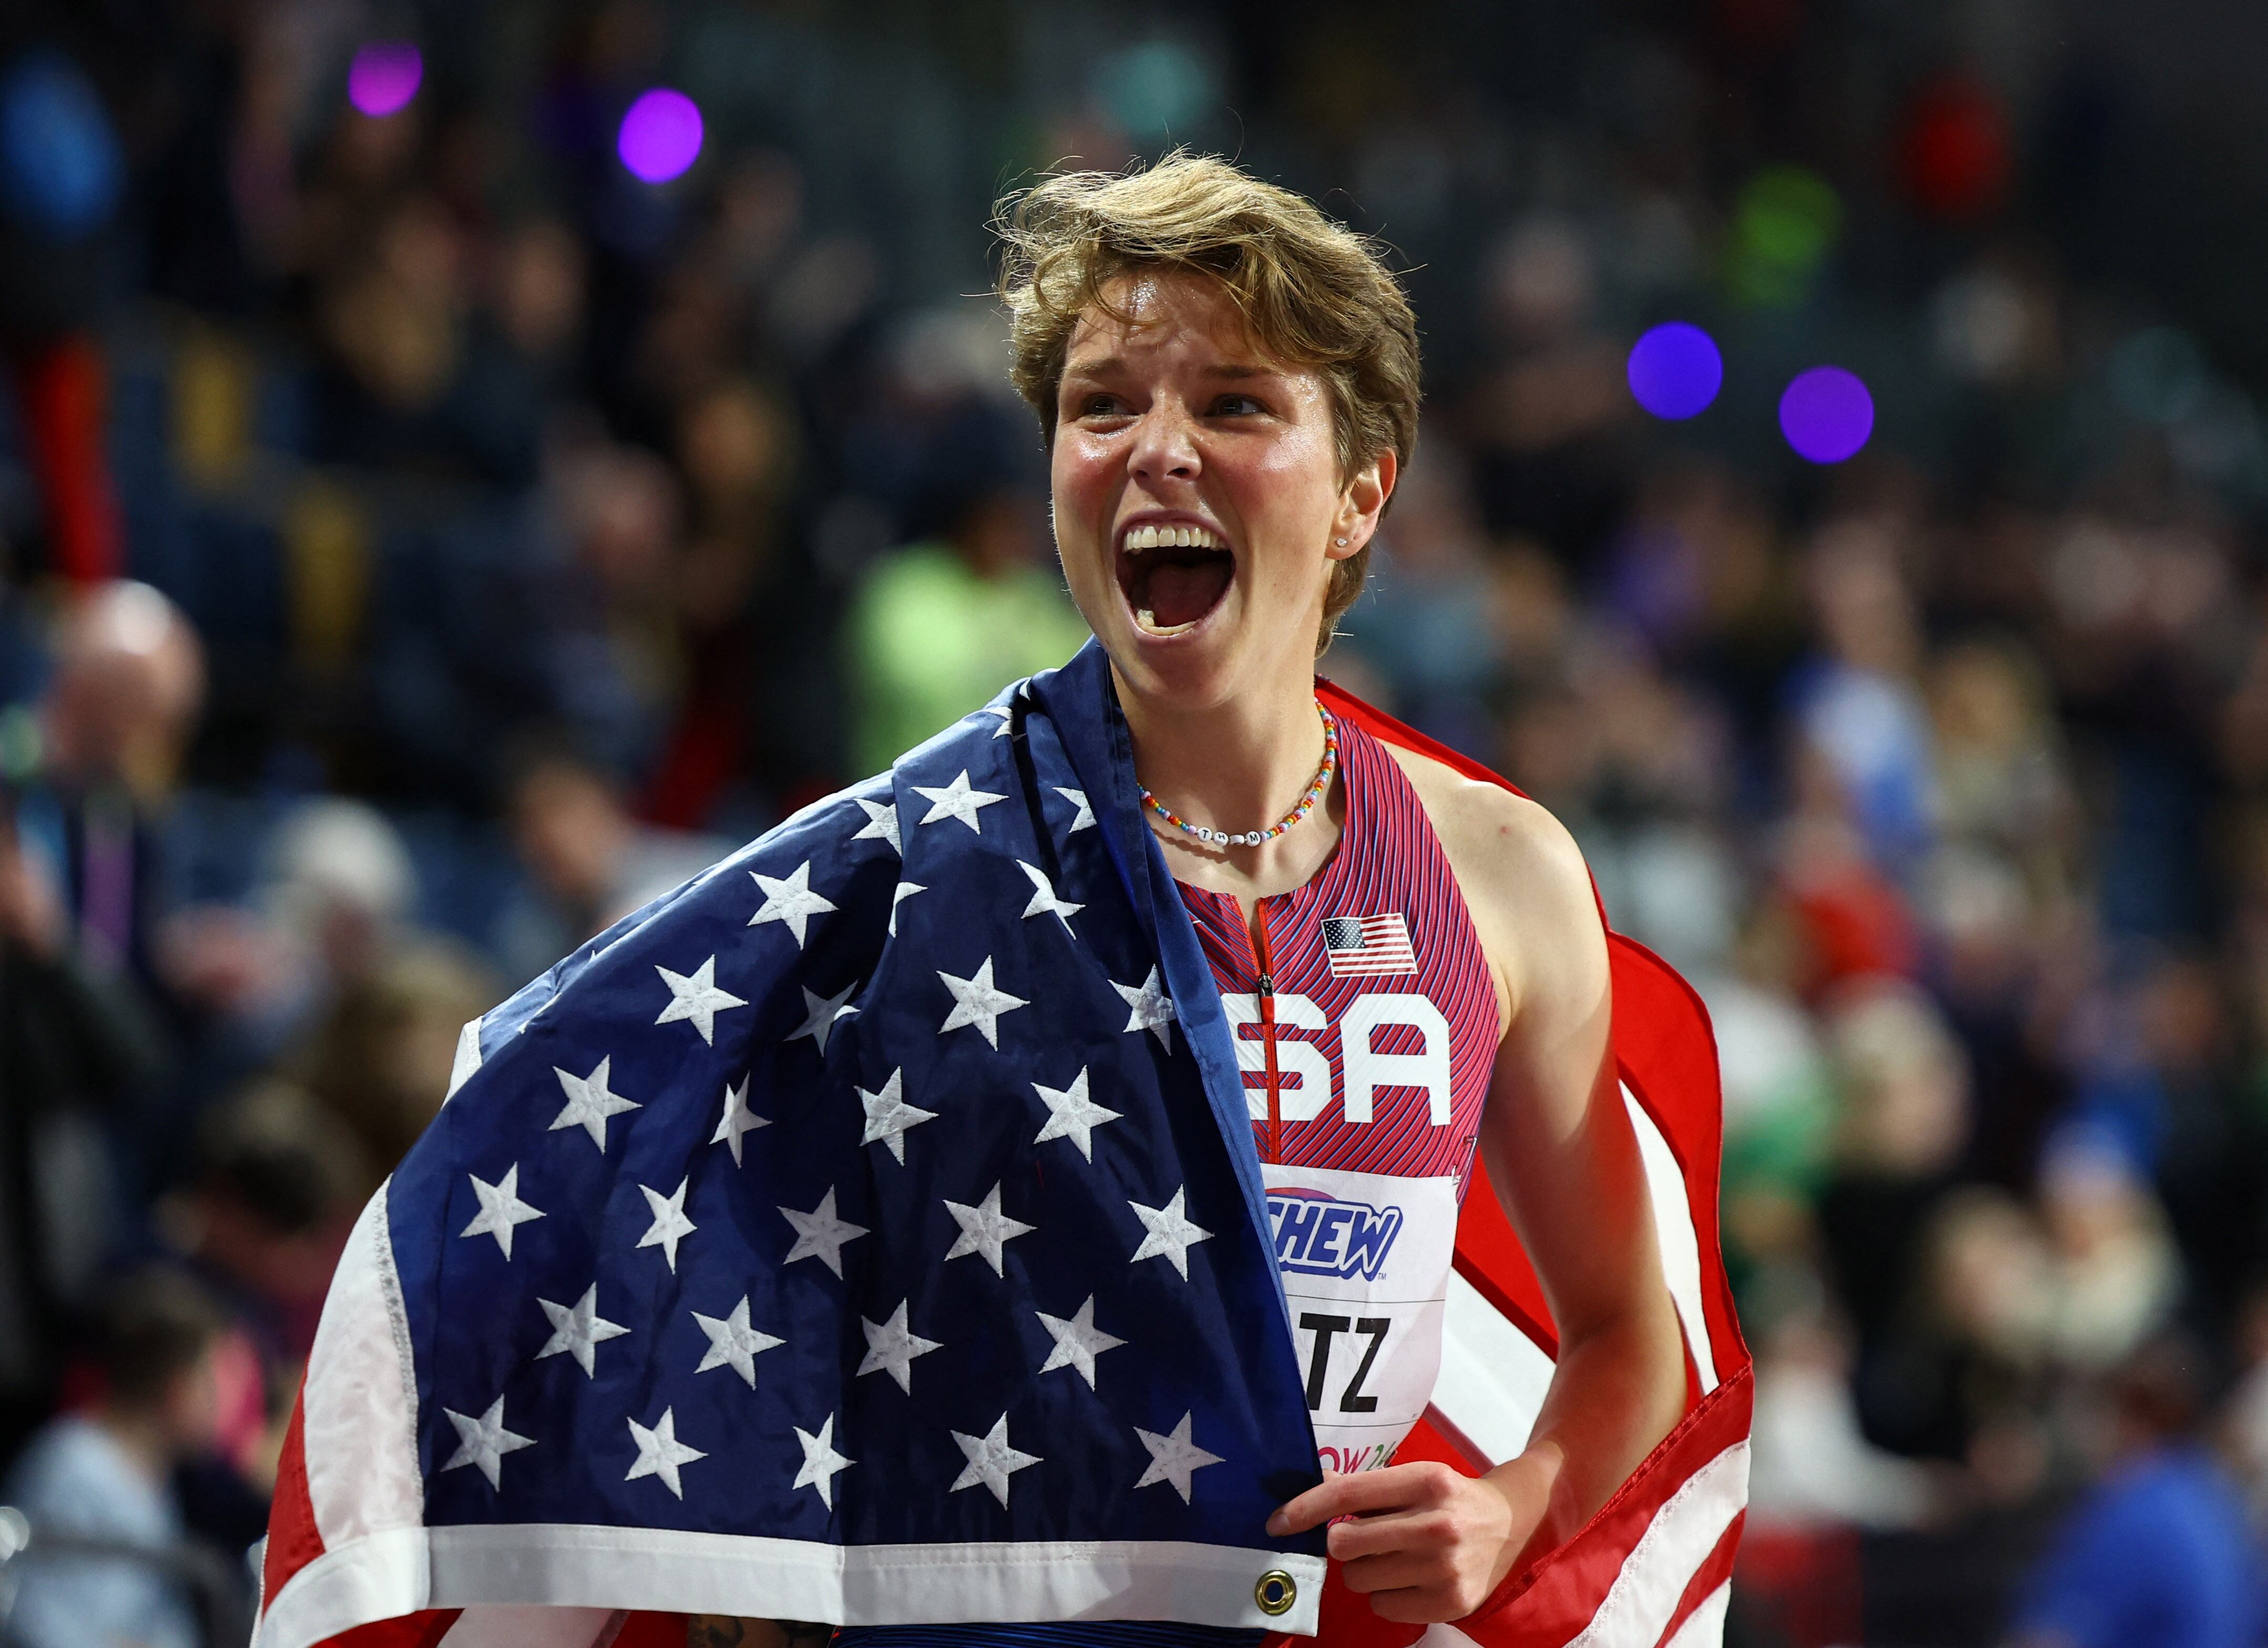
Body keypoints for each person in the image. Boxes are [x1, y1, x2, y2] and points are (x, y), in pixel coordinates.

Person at [832, 152, 1684, 1638]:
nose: (1156, 446)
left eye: (1232, 402)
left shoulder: (1499, 872)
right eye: (1102, 405)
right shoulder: (914, 870)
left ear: (1362, 495)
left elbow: (1628, 1332)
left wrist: (1514, 1498)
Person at [0, 1268, 230, 1648]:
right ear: (177, 1387)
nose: (222, 1402)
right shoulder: (73, 1467)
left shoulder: (151, 1474)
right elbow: (38, 1622)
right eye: (210, 1381)